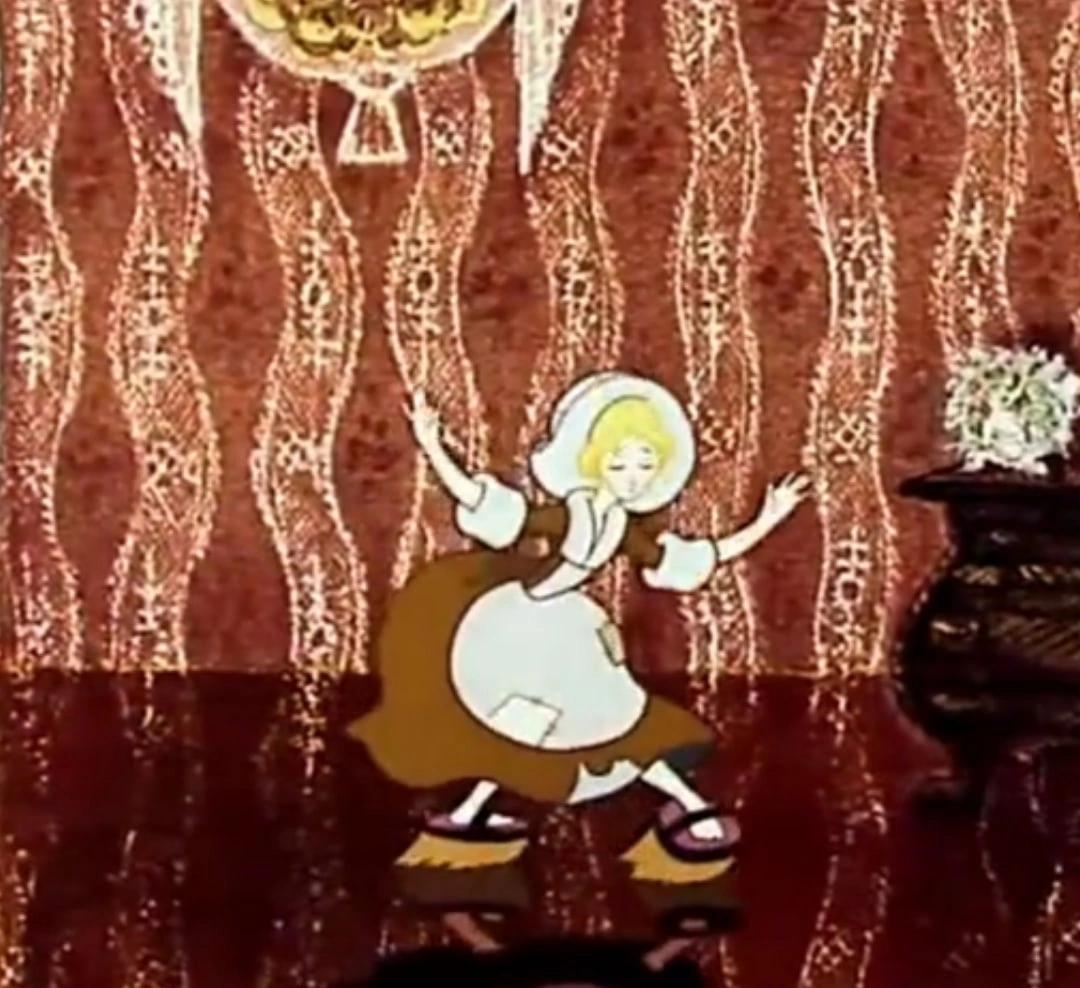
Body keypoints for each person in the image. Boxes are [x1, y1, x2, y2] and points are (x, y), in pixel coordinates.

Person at [348, 371, 810, 882]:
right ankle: (475, 812)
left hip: (570, 627)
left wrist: (767, 519)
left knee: (607, 720)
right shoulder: (570, 514)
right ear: (592, 460)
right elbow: (486, 504)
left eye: (644, 464)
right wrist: (433, 444)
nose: (631, 476)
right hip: (519, 622)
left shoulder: (624, 527)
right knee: (536, 724)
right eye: (618, 463)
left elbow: (697, 556)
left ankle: (683, 803)